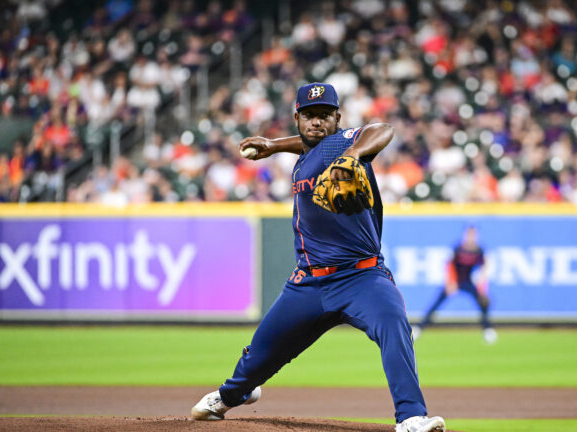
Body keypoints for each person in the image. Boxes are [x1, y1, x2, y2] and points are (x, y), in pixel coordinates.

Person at [191, 83, 446, 432]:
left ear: (338, 118)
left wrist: (354, 156)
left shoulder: (345, 144)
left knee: (393, 324)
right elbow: (310, 144)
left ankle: (412, 417)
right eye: (309, 115)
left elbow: (381, 130)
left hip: (362, 278)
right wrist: (274, 145)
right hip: (308, 283)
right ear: (297, 117)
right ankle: (232, 394)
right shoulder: (309, 152)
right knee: (260, 355)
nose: (316, 122)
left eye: (325, 115)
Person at [412, 226, 497, 344]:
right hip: (455, 280)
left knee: (483, 302)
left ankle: (488, 329)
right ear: (465, 235)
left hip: (468, 281)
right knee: (437, 302)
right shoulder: (458, 249)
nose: (471, 237)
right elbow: (449, 265)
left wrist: (482, 288)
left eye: (474, 235)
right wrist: (451, 282)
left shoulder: (479, 251)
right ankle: (419, 328)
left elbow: (484, 268)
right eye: (469, 234)